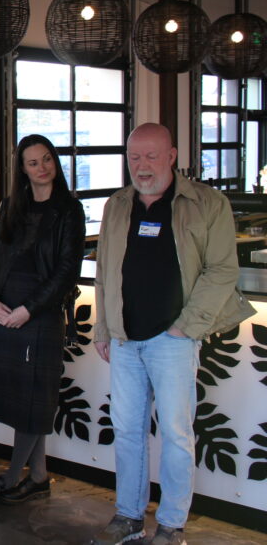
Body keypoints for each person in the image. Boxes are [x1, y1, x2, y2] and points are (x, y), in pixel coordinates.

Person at [88, 123, 254, 545]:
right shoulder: (117, 205)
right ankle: (128, 516)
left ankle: (171, 525)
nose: (142, 167)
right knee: (127, 430)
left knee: (177, 433)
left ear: (173, 156)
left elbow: (222, 270)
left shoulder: (207, 203)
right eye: (134, 158)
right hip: (125, 339)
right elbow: (105, 271)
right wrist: (103, 329)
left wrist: (186, 328)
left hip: (172, 340)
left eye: (151, 156)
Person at [0, 134, 85, 505]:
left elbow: (67, 270)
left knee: (34, 399)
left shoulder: (69, 209)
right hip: (5, 312)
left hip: (40, 314)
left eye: (47, 159)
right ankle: (37, 476)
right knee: (24, 399)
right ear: (22, 168)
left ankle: (10, 477)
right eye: (33, 162)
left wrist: (29, 309)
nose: (42, 168)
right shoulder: (11, 205)